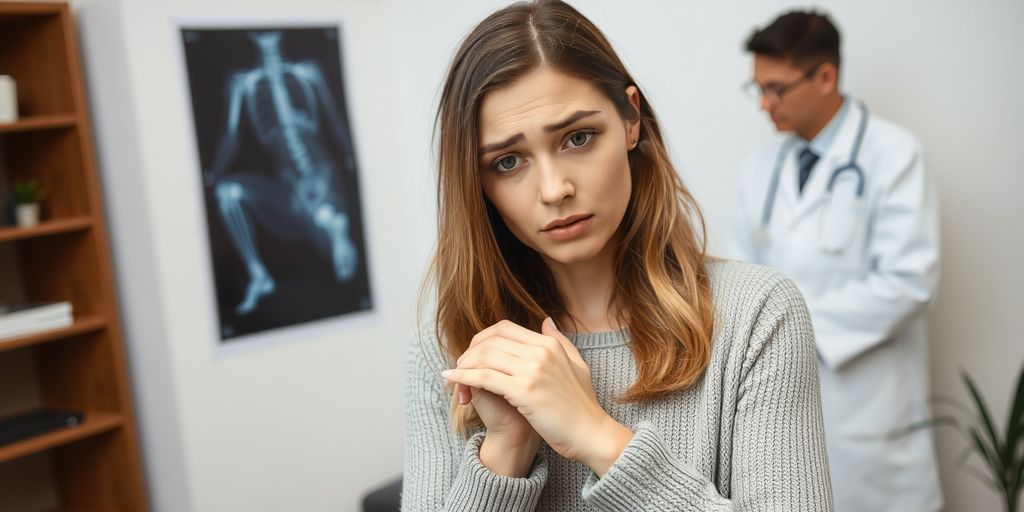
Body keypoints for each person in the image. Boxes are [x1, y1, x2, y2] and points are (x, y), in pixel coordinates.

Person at [402, 2, 833, 510]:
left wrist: (597, 437)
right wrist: (505, 453)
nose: (554, 189)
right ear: (477, 182)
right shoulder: (449, 345)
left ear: (630, 119)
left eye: (577, 138)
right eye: (508, 161)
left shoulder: (757, 315)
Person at [729, 10, 942, 511]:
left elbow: (908, 282)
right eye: (756, 88)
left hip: (869, 420)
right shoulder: (759, 170)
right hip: (779, 410)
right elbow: (741, 286)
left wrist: (785, 327)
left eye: (776, 89)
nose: (764, 104)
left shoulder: (894, 155)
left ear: (825, 76)